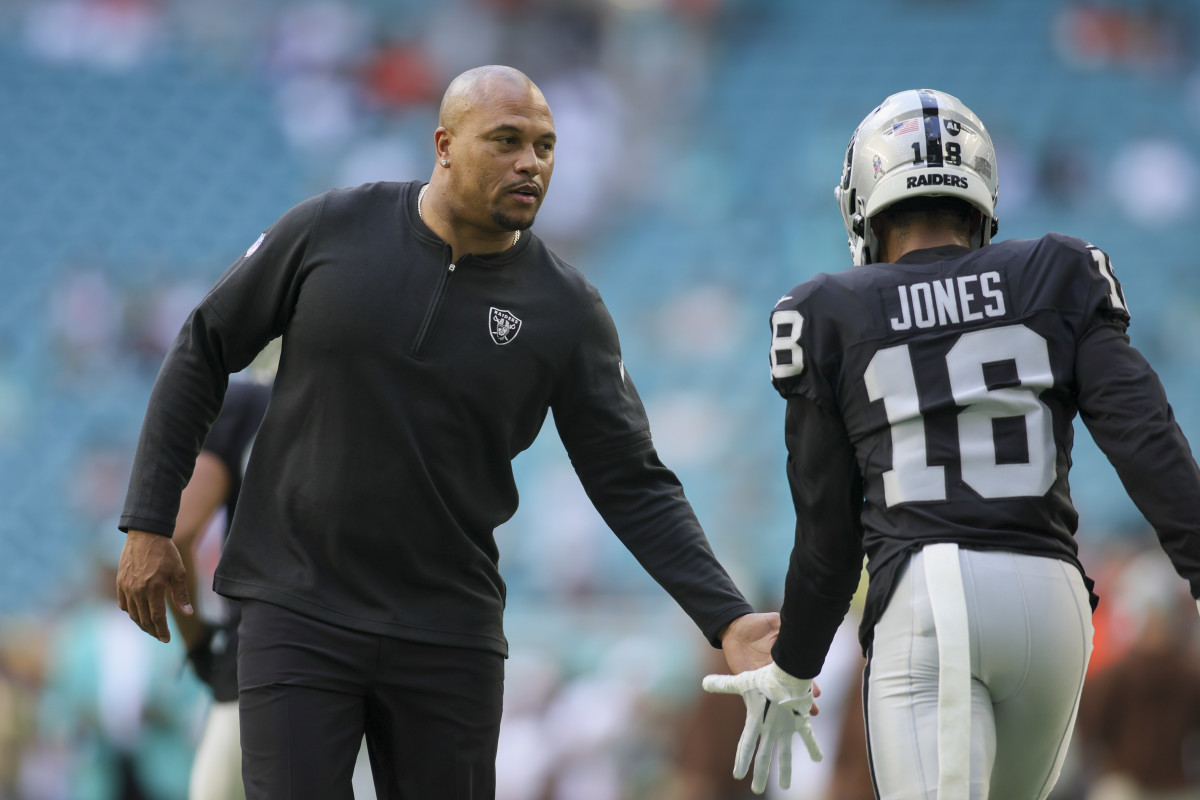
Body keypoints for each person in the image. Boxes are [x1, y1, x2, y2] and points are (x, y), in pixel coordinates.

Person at [115, 64, 776, 799]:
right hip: (297, 607)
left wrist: (727, 618)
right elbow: (203, 344)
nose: (532, 162)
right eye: (507, 140)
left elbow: (633, 482)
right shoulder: (330, 228)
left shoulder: (567, 311)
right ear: (445, 145)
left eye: (547, 146)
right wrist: (147, 522)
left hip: (447, 631)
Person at [703, 88, 1200, 798]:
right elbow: (1145, 440)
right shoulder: (1059, 270)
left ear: (865, 199)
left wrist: (795, 664)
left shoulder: (827, 311)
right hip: (1055, 602)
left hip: (931, 599)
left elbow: (828, 538)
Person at [169, 378, 271, 800]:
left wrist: (197, 644)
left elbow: (177, 538)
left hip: (261, 662)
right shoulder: (385, 398)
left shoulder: (253, 404)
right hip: (381, 659)